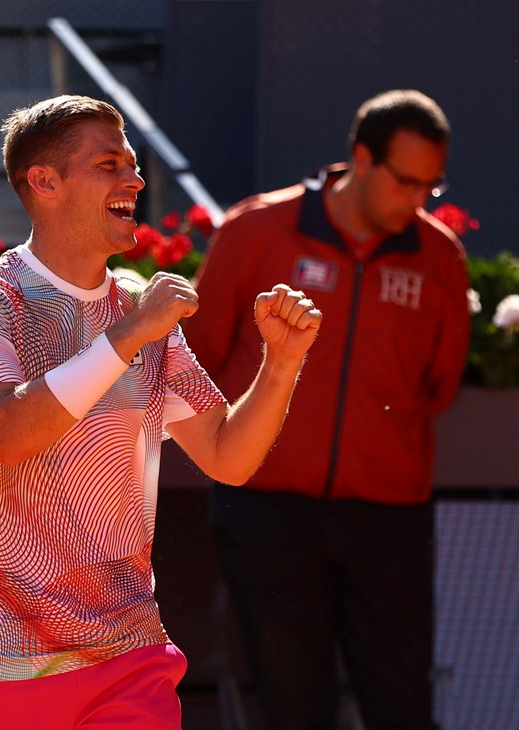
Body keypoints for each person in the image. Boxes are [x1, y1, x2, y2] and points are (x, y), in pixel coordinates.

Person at [0, 94, 323, 729]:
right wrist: (128, 335)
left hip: (129, 654)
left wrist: (282, 363)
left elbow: (228, 456)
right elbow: (9, 434)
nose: (134, 179)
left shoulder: (140, 309)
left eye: (132, 164)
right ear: (44, 182)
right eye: (109, 164)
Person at [182, 89, 470, 729]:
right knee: (292, 706)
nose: (419, 200)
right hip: (266, 511)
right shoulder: (257, 230)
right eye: (406, 181)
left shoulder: (440, 257)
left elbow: (438, 383)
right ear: (362, 159)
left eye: (432, 184)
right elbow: (195, 356)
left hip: (388, 518)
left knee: (401, 703)